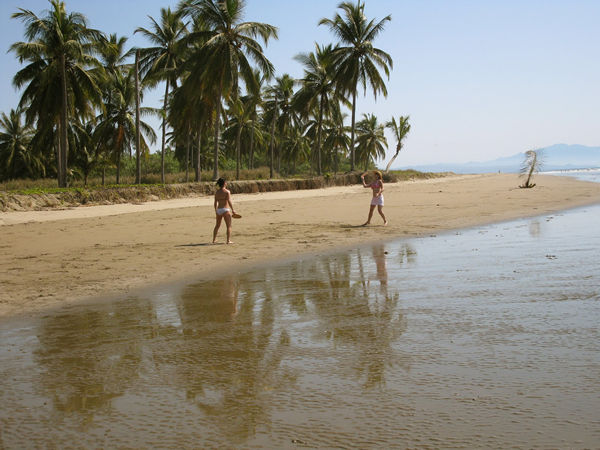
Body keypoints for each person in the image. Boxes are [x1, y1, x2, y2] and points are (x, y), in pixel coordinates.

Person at [213, 177, 237, 244]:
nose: (226, 183)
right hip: (225, 209)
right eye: (226, 182)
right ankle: (228, 240)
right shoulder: (227, 191)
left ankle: (214, 240)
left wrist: (216, 211)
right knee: (228, 226)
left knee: (217, 225)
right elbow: (229, 201)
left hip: (219, 210)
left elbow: (215, 203)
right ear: (224, 183)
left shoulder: (217, 192)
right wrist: (233, 210)